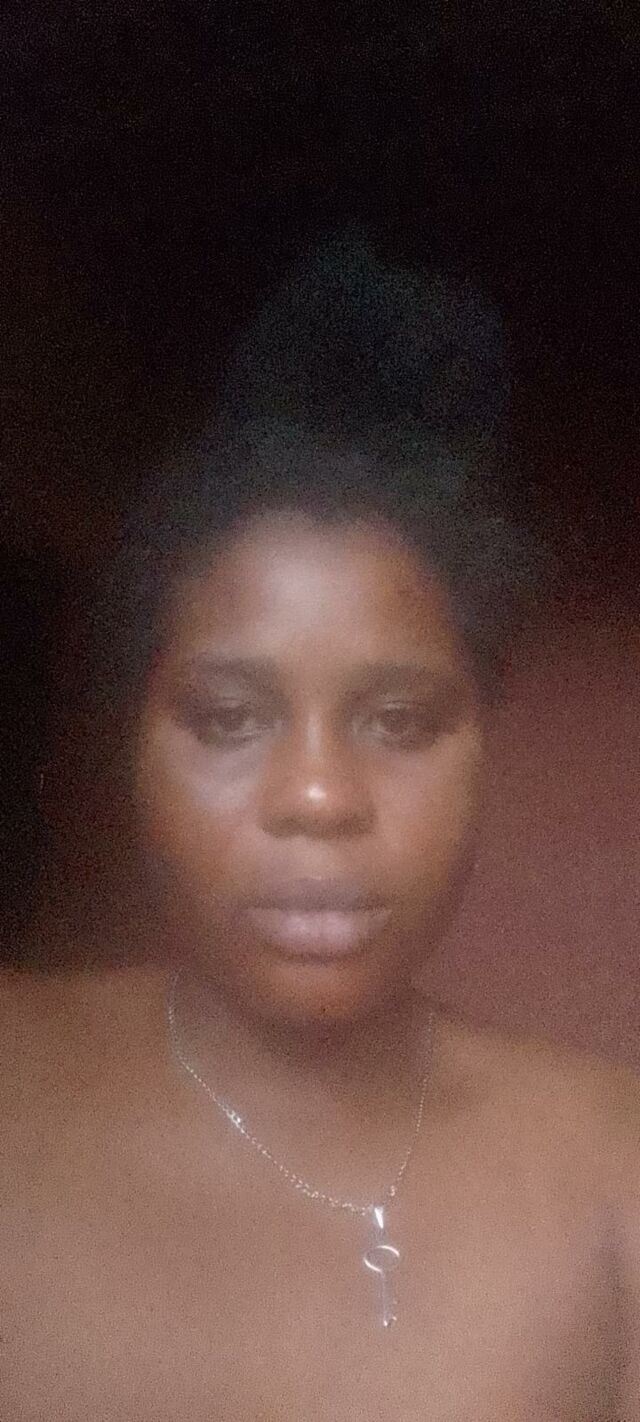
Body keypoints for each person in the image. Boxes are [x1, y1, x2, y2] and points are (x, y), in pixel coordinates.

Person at [1, 240, 638, 1420]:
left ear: (481, 750)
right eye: (228, 718)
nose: (316, 796)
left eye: (399, 721)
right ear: (132, 751)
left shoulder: (613, 1169)